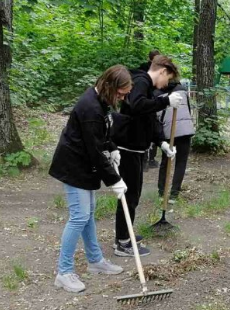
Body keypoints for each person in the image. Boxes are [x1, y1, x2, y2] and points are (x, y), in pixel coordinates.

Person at [48, 65, 130, 293]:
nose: (122, 99)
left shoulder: (101, 102)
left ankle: (95, 261)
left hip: (85, 165)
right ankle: (63, 273)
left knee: (88, 215)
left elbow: (102, 135)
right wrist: (114, 180)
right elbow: (94, 149)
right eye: (121, 94)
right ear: (109, 86)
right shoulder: (90, 108)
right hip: (74, 166)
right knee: (79, 217)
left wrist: (112, 147)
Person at [113, 56, 184, 257]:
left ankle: (124, 235)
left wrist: (161, 141)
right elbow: (137, 106)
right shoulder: (141, 82)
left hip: (136, 148)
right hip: (128, 148)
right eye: (167, 79)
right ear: (162, 71)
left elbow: (148, 117)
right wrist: (165, 101)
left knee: (133, 195)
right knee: (130, 196)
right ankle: (122, 243)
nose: (165, 85)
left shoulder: (147, 88)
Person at [154, 81, 195, 204]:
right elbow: (188, 109)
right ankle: (173, 194)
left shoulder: (156, 92)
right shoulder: (182, 89)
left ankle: (162, 192)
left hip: (167, 131)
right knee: (181, 162)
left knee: (165, 161)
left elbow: (156, 115)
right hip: (185, 130)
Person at [140, 50, 162, 170]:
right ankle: (143, 160)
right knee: (145, 130)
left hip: (155, 100)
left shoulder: (160, 69)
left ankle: (152, 159)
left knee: (155, 128)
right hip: (148, 102)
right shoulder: (144, 69)